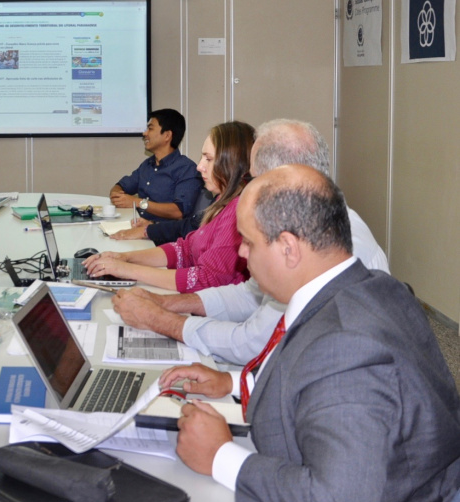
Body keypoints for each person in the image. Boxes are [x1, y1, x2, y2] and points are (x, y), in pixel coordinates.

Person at [159, 164, 460, 502]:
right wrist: (234, 384)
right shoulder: (371, 287)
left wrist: (221, 456)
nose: (241, 255)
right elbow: (315, 376)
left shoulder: (346, 345)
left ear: (289, 248)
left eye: (249, 242)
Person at [112, 119, 390, 364]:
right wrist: (168, 303)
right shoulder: (307, 220)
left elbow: (252, 342)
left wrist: (160, 319)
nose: (249, 187)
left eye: (255, 178)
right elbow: (250, 294)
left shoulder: (326, 244)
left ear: (282, 180)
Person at [84, 121, 252, 292]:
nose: (199, 166)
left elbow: (206, 279)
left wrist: (127, 270)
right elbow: (185, 249)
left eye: (208, 159)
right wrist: (124, 258)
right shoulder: (221, 200)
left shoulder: (238, 211)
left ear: (232, 163)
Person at [109, 109, 203, 238]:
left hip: (164, 237)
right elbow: (122, 185)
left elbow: (178, 212)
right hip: (139, 228)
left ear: (167, 135)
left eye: (150, 129)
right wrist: (117, 195)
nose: (144, 133)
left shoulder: (186, 169)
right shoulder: (147, 164)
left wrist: (139, 203)